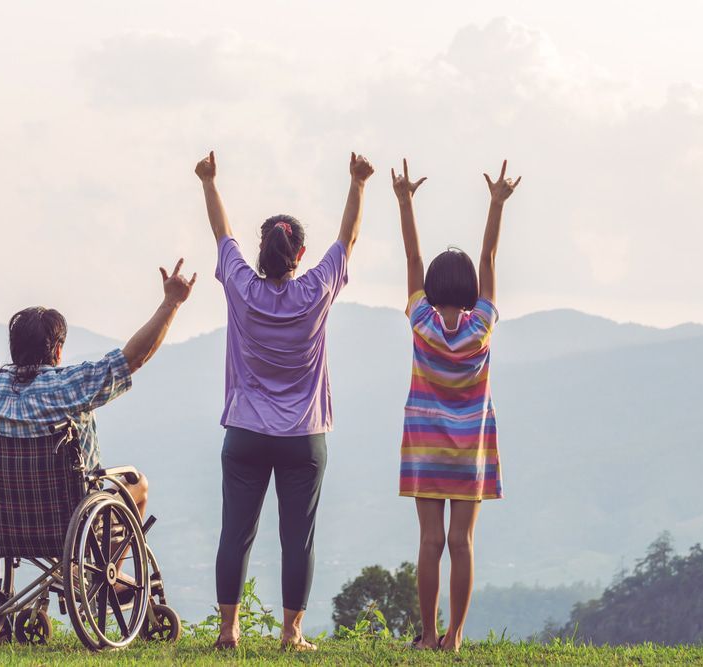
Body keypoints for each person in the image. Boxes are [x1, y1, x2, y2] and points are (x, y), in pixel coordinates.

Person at [194, 150, 374, 651]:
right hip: (303, 438)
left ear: (262, 253)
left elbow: (221, 234)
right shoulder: (316, 289)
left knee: (236, 534)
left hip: (246, 434)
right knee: (297, 539)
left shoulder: (240, 287)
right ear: (298, 257)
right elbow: (348, 240)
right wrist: (357, 182)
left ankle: (229, 632)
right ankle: (290, 635)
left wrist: (209, 181)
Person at [0, 258, 196, 523]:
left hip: (12, 518)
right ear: (57, 350)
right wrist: (172, 303)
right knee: (138, 483)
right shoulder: (70, 385)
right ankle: (113, 564)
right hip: (72, 517)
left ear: (13, 348)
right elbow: (133, 358)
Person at [392, 159, 521, 652]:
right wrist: (496, 204)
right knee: (462, 543)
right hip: (470, 449)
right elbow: (489, 256)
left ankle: (427, 635)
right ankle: (455, 638)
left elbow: (410, 255)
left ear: (430, 284)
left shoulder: (420, 320)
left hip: (425, 445)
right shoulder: (481, 326)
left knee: (429, 541)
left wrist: (404, 201)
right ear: (468, 288)